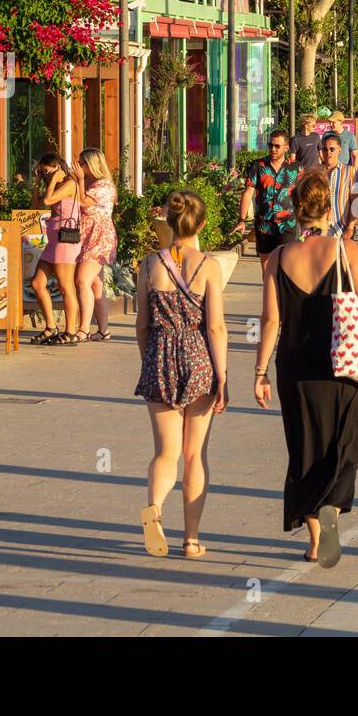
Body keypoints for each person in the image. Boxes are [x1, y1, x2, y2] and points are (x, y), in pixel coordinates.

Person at [254, 172, 358, 567]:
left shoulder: (279, 258)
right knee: (341, 442)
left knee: (303, 448)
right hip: (343, 363)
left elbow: (271, 320)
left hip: (295, 364)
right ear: (328, 207)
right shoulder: (346, 250)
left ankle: (317, 540)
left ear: (297, 209)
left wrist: (260, 372)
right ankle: (332, 510)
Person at [136, 191, 228, 560]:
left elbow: (142, 325)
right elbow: (217, 327)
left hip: (160, 353)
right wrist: (222, 377)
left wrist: (151, 360)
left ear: (170, 224)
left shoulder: (149, 264)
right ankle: (191, 539)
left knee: (165, 452)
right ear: (201, 224)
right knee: (194, 454)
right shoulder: (208, 265)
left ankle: (155, 509)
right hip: (198, 358)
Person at [30, 153, 82, 345]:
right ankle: (51, 326)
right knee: (37, 283)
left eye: (47, 171)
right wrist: (37, 182)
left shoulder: (70, 184)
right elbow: (36, 205)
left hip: (65, 241)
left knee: (65, 286)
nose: (45, 175)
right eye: (42, 172)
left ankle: (70, 331)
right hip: (53, 241)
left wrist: (54, 180)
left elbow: (48, 201)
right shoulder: (52, 184)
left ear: (58, 167)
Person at [233, 130, 300, 265]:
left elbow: (303, 194)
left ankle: (281, 286)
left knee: (286, 263)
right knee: (266, 264)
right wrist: (242, 220)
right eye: (270, 145)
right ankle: (268, 286)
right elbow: (248, 192)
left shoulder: (295, 168)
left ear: (286, 148)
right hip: (264, 224)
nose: (273, 149)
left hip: (287, 223)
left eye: (277, 146)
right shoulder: (258, 166)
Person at [75, 148, 117, 342]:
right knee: (95, 284)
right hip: (91, 236)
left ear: (92, 165)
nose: (79, 166)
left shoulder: (103, 186)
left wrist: (79, 180)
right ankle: (103, 330)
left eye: (82, 163)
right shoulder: (98, 184)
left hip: (98, 238)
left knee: (82, 280)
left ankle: (84, 328)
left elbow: (83, 202)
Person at [317, 131, 355, 237]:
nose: (328, 152)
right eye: (325, 149)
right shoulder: (315, 173)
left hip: (341, 228)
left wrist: (350, 228)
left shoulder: (349, 171)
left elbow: (355, 202)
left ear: (339, 150)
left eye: (332, 149)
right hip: (319, 228)